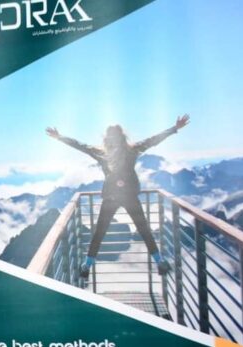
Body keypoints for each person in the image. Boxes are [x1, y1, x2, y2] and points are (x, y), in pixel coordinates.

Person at [46, 114, 190, 280]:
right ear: (122, 136)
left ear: (107, 139)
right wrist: (174, 128)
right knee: (143, 229)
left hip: (111, 197)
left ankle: (87, 265)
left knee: (99, 232)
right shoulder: (131, 150)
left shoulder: (102, 153)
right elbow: (153, 140)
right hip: (129, 196)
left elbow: (80, 146)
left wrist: (60, 137)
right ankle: (160, 262)